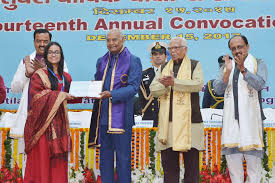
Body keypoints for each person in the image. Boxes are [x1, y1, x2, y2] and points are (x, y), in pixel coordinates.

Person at [88, 29, 142, 183]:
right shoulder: (101, 60)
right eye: (108, 40)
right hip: (103, 117)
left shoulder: (133, 60)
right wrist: (92, 86)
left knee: (123, 159)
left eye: (115, 40)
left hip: (122, 118)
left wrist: (112, 94)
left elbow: (133, 88)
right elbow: (99, 83)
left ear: (123, 39)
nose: (111, 43)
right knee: (104, 159)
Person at [213, 35, 267, 182]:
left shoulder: (258, 63)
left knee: (253, 171)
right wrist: (227, 73)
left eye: (240, 47)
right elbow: (217, 89)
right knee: (235, 172)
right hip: (231, 125)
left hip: (251, 124)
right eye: (233, 48)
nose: (237, 51)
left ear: (247, 47)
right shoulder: (227, 66)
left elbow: (260, 84)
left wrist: (243, 69)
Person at [150, 37, 204, 183]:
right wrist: (166, 85)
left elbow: (198, 85)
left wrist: (175, 82)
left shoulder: (194, 65)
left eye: (177, 48)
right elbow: (153, 89)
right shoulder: (163, 67)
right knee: (170, 168)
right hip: (168, 124)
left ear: (185, 49)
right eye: (171, 49)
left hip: (190, 123)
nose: (173, 51)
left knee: (192, 169)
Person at [23, 42, 76, 183]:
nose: (53, 54)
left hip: (60, 127)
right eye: (50, 52)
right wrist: (61, 95)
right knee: (42, 163)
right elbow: (37, 98)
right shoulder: (38, 75)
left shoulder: (66, 77)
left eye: (56, 52)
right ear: (46, 55)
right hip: (42, 127)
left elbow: (70, 97)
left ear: (61, 55)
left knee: (58, 165)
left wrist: (88, 91)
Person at [10, 29, 68, 154]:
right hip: (31, 118)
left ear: (50, 42)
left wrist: (46, 71)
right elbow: (14, 88)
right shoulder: (27, 61)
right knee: (29, 159)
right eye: (38, 41)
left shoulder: (58, 61)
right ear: (34, 42)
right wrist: (27, 74)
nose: (42, 44)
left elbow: (65, 86)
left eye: (45, 41)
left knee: (48, 159)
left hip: (51, 118)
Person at [137, 42, 167, 127]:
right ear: (151, 57)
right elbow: (141, 98)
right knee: (149, 140)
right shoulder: (143, 74)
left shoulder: (172, 73)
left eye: (161, 54)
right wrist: (140, 112)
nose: (158, 56)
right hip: (149, 116)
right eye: (155, 54)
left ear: (166, 56)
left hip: (167, 116)